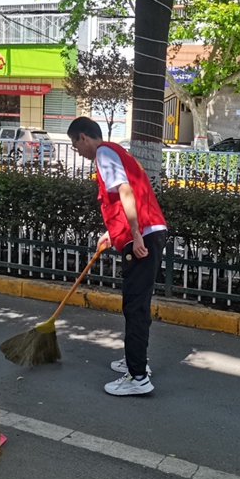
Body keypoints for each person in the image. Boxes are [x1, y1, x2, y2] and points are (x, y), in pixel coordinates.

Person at [68, 117, 168, 396]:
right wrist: (113, 233)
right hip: (149, 230)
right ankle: (136, 360)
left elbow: (125, 192)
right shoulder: (116, 151)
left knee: (135, 305)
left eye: (76, 146)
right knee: (138, 303)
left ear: (83, 137)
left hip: (143, 234)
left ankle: (138, 377)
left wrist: (135, 234)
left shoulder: (103, 154)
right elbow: (123, 198)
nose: (79, 153)